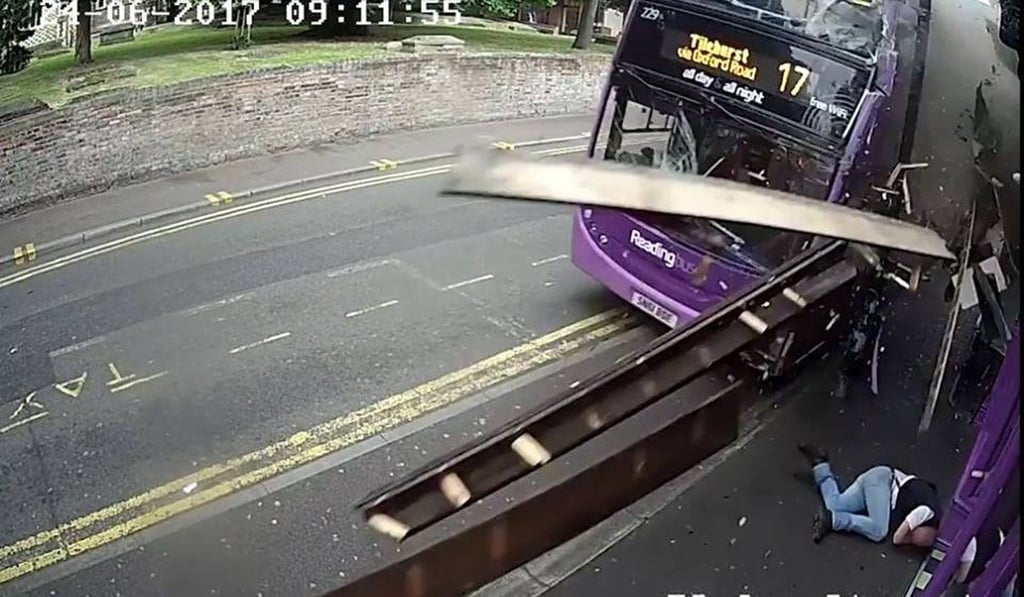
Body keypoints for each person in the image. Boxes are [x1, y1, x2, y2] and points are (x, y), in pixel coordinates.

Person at [796, 443, 943, 546]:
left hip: (878, 478)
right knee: (879, 530)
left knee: (835, 504)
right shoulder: (926, 511)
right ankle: (833, 520)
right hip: (883, 482)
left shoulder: (925, 503)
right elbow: (897, 538)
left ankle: (820, 465)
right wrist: (908, 539)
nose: (915, 537)